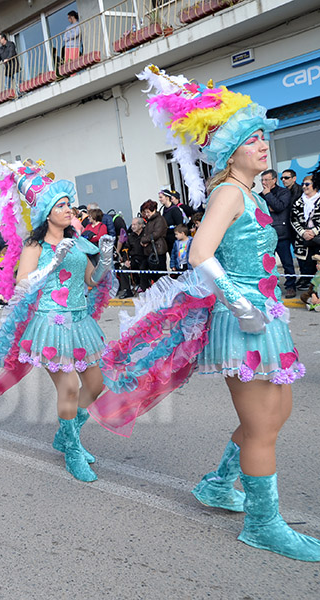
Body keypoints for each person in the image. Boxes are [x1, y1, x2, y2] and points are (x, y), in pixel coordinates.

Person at [91, 64, 316, 561]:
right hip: (243, 321)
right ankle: (263, 524)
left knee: (277, 413)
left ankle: (219, 483)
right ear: (228, 151)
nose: (264, 145)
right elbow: (199, 254)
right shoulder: (230, 192)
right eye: (253, 139)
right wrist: (237, 302)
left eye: (263, 137)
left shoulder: (252, 192)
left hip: (266, 316)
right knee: (262, 425)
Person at [0, 158, 115, 482]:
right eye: (61, 205)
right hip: (49, 323)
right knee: (69, 386)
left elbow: (89, 281)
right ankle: (72, 448)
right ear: (46, 213)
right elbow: (22, 285)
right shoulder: (35, 245)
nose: (69, 209)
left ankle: (65, 432)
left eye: (69, 204)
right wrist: (51, 264)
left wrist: (105, 261)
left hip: (80, 322)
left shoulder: (80, 242)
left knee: (95, 386)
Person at [260, 169, 296, 297]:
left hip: (281, 233)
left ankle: (291, 286)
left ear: (274, 180)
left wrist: (269, 195)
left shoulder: (284, 192)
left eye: (266, 180)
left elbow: (279, 207)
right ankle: (272, 286)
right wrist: (270, 205)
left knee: (287, 262)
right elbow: (260, 212)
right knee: (268, 264)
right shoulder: (260, 195)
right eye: (262, 180)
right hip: (267, 235)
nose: (264, 183)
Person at [290, 171, 319, 291]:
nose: (304, 187)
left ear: (315, 185)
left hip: (318, 238)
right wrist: (303, 233)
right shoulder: (298, 202)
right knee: (305, 264)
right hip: (302, 239)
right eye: (303, 184)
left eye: (307, 184)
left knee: (318, 263)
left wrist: (314, 232)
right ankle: (309, 287)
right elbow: (293, 219)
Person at [139, 200, 168, 288]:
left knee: (160, 272)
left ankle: (163, 289)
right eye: (145, 212)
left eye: (148, 212)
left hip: (158, 249)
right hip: (150, 249)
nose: (146, 214)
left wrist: (144, 240)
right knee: (149, 270)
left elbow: (156, 234)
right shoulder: (150, 221)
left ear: (154, 210)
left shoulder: (159, 219)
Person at [159, 189, 186, 259]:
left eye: (161, 197)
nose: (159, 199)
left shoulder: (175, 210)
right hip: (167, 237)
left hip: (174, 237)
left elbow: (180, 224)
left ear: (167, 198)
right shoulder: (164, 209)